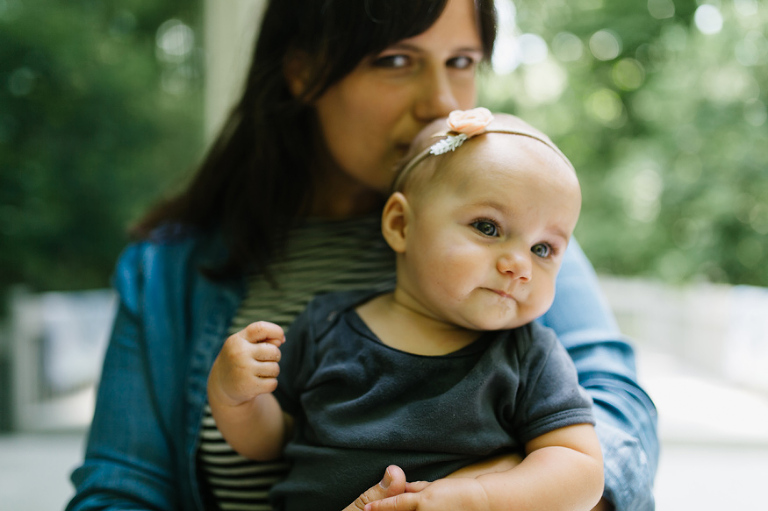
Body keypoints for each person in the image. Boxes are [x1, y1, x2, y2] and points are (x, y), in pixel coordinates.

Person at [66, 1, 658, 510]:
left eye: (461, 61)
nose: (439, 101)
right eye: (396, 61)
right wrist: (235, 396)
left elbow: (616, 422)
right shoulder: (174, 271)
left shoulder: (521, 242)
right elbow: (121, 487)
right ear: (304, 70)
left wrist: (484, 493)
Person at [207, 109, 605, 511]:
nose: (520, 265)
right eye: (488, 227)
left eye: (543, 249)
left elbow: (581, 469)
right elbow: (273, 440)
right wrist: (234, 397)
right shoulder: (325, 326)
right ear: (401, 224)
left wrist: (481, 499)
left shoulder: (529, 355)